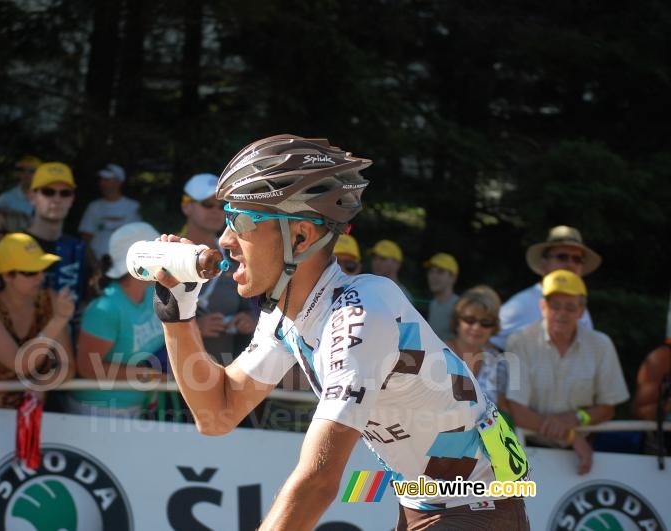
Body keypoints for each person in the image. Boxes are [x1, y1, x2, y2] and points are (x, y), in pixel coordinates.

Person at [153, 135, 529, 529]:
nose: (225, 240)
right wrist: (177, 316)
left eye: (241, 221)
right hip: (431, 501)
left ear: (300, 236)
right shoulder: (288, 313)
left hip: (478, 505)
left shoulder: (361, 312)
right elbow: (217, 413)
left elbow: (318, 481)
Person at [506, 270, 629, 475]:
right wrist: (570, 435)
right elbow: (517, 411)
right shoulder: (520, 342)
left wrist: (577, 418)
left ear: (582, 311)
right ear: (543, 307)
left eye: (570, 307)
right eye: (555, 305)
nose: (562, 313)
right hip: (530, 448)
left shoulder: (601, 345)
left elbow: (608, 407)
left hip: (585, 451)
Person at [0, 233, 75, 409]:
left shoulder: (51, 301)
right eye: (30, 272)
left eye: (42, 269)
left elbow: (68, 366)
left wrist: (42, 383)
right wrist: (59, 320)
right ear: (7, 276)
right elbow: (22, 366)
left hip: (33, 416)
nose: (41, 277)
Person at [71, 222, 167, 416]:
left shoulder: (152, 293)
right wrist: (148, 376)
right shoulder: (105, 308)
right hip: (97, 411)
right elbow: (88, 368)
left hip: (137, 406)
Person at [179, 172, 258, 364]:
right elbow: (146, 317)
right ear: (186, 206)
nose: (216, 211)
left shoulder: (234, 254)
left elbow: (249, 306)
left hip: (227, 366)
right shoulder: (169, 252)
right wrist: (194, 327)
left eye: (222, 206)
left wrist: (249, 319)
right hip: (179, 370)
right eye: (207, 204)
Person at [491, 226, 599, 349]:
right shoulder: (521, 304)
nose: (570, 264)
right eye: (562, 257)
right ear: (544, 264)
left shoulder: (581, 307)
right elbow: (481, 341)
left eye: (577, 259)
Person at [26, 162, 99, 325]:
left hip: (68, 344)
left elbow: (89, 300)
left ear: (72, 198)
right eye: (48, 192)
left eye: (65, 193)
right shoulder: (14, 245)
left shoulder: (79, 248)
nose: (57, 199)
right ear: (32, 196)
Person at [445, 286, 509, 406]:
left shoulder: (498, 364)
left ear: (494, 327)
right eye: (469, 319)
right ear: (457, 320)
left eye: (486, 322)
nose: (476, 327)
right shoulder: (437, 353)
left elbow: (501, 410)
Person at [78, 163, 141, 259]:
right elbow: (85, 239)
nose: (102, 183)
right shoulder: (94, 207)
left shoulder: (132, 207)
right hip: (96, 265)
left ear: (119, 182)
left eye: (106, 180)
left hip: (125, 266)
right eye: (101, 179)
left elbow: (137, 238)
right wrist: (95, 266)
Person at [423, 253, 459, 341]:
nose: (433, 276)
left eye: (440, 271)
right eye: (431, 271)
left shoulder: (460, 307)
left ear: (453, 277)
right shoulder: (433, 304)